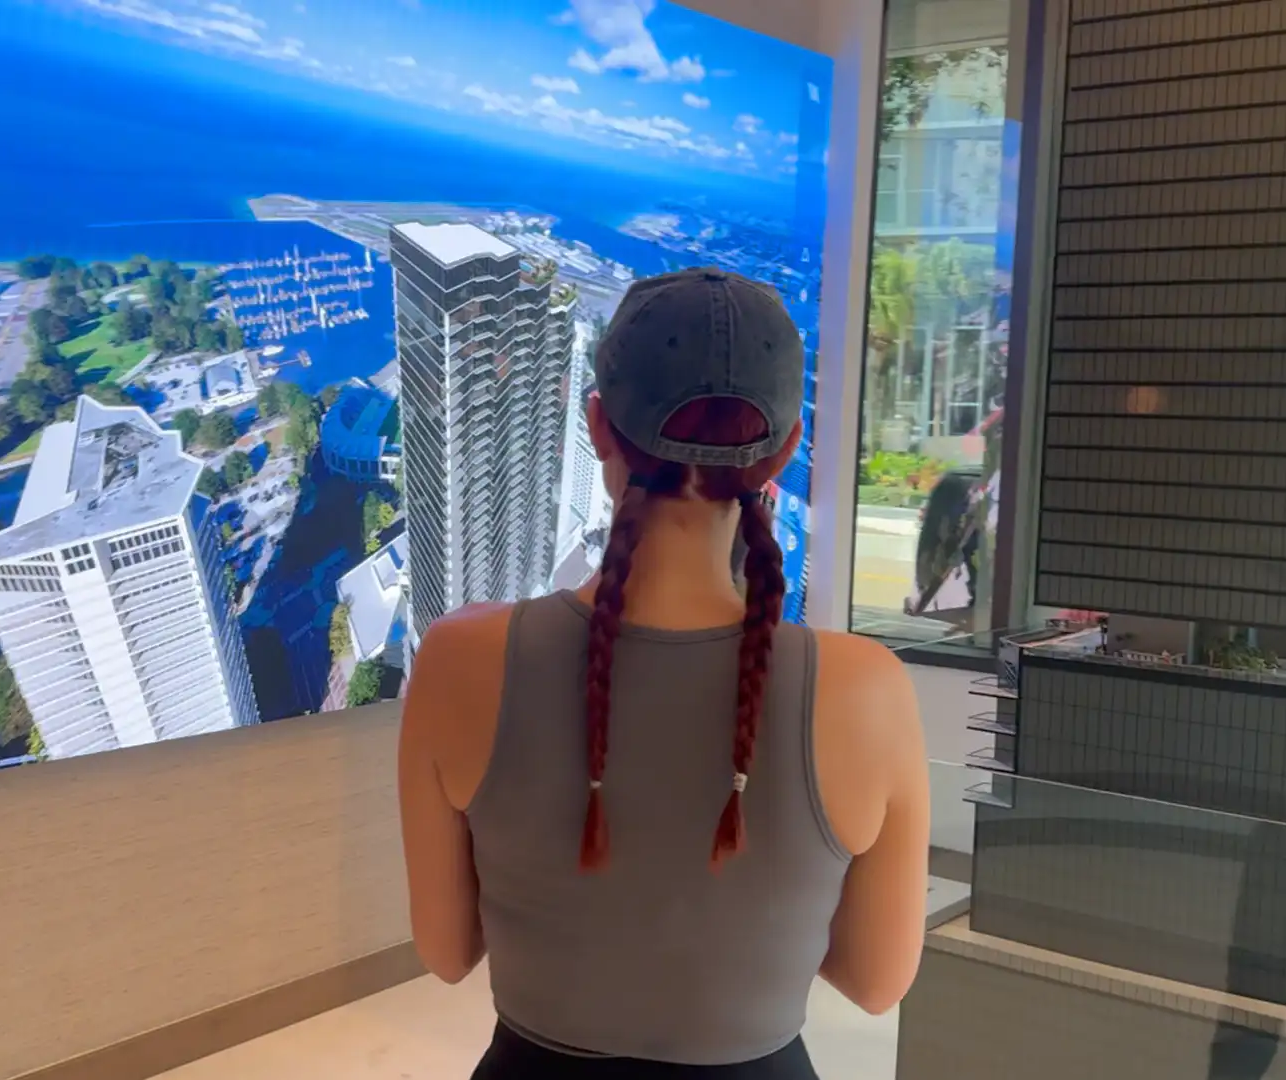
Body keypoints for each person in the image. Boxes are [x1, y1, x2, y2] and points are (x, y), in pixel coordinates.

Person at [397, 267, 930, 1079]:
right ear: (784, 450)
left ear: (598, 427)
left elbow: (446, 953)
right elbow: (877, 982)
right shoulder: (867, 688)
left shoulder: (458, 656)